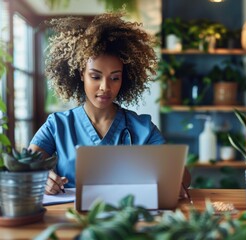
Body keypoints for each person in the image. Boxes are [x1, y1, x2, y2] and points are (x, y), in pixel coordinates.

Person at [29, 11, 190, 196]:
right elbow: (29, 163)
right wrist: (43, 177)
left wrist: (172, 177)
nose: (105, 87)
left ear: (124, 79)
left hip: (127, 216)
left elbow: (184, 176)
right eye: (95, 76)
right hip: (70, 218)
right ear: (81, 74)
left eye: (115, 78)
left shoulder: (142, 127)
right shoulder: (58, 125)